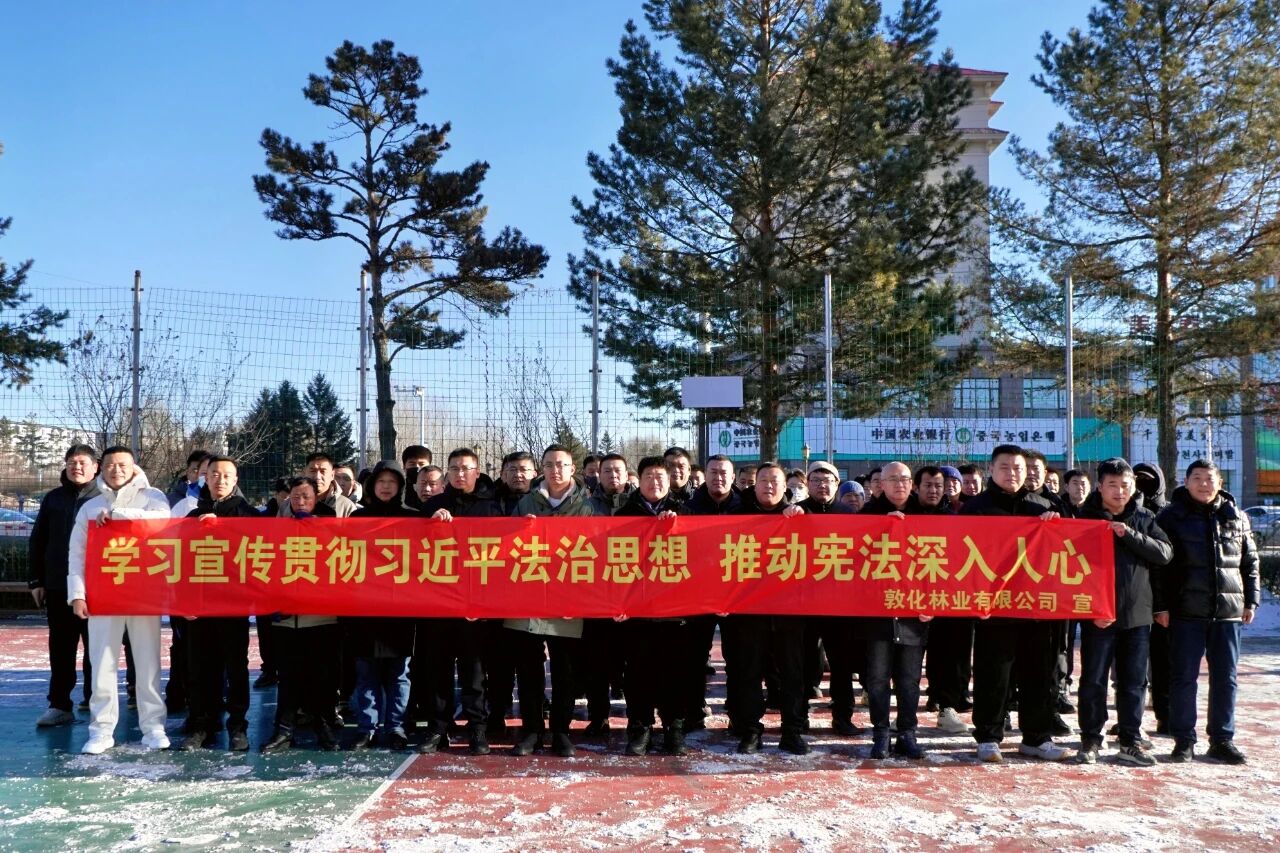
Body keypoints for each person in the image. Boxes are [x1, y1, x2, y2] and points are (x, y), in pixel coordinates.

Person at [960, 444, 1070, 763]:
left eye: (1018, 468)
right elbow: (958, 555)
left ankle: (1037, 737)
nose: (1012, 473)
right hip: (993, 607)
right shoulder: (975, 509)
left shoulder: (1044, 507)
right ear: (991, 470)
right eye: (1005, 467)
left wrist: (1056, 525)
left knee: (1040, 674)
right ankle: (988, 736)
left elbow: (1067, 552)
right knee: (993, 674)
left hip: (1037, 607)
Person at [503, 445, 608, 757]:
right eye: (549, 465)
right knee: (528, 670)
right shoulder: (525, 503)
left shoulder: (588, 506)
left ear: (572, 468)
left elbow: (600, 552)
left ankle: (561, 730)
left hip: (569, 601)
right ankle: (532, 730)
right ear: (542, 470)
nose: (555, 470)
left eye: (561, 465)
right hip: (528, 598)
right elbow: (505, 549)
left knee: (565, 670)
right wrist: (517, 531)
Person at [67, 446, 172, 754]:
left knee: (148, 662)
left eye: (123, 465)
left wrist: (118, 517)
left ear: (134, 467)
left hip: (143, 594)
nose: (116, 470)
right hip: (104, 595)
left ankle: (153, 727)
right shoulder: (90, 507)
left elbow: (162, 523)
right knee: (102, 662)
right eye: (111, 465)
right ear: (102, 469)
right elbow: (77, 553)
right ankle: (101, 730)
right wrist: (77, 593)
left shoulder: (153, 497)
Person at [1156, 459, 1260, 765]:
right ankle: (1183, 740)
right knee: (1183, 678)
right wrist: (1161, 606)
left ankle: (1222, 739)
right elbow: (1159, 568)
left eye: (1209, 478)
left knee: (1226, 678)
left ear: (1220, 483)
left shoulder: (1236, 516)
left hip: (1227, 612)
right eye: (1197, 478)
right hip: (1185, 611)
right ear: (1186, 482)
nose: (1204, 484)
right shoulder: (1171, 517)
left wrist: (1251, 601)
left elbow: (1250, 562)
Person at [1075, 458, 1173, 766]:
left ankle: (1130, 740)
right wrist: (1090, 609)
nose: (1119, 491)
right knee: (1093, 680)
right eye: (1113, 485)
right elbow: (1068, 563)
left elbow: (1164, 553)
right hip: (1097, 615)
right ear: (1100, 487)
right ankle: (1091, 738)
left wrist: (1129, 535)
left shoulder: (1144, 517)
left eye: (1125, 485)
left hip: (1137, 615)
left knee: (1134, 682)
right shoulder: (1083, 518)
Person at [421, 448, 503, 755]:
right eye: (454, 468)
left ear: (477, 472)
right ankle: (437, 728)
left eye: (465, 468)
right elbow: (413, 548)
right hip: (439, 603)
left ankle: (477, 729)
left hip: (475, 606)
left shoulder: (491, 507)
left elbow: (502, 555)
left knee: (474, 673)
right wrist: (430, 525)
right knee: (438, 671)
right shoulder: (433, 505)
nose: (459, 474)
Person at [724, 463, 809, 755]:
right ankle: (751, 730)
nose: (769, 486)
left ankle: (792, 731)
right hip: (749, 613)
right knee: (749, 673)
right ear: (754, 484)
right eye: (763, 480)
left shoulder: (800, 517)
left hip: (789, 614)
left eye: (775, 481)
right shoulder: (737, 516)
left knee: (792, 675)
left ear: (785, 487)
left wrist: (800, 518)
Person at [858, 461, 940, 759]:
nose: (899, 484)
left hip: (914, 613)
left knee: (909, 679)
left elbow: (943, 564)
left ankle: (907, 732)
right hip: (877, 612)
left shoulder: (928, 516)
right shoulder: (865, 516)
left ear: (912, 484)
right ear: (881, 484)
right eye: (892, 479)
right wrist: (880, 528)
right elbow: (851, 561)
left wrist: (934, 602)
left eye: (904, 478)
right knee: (877, 678)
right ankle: (880, 733)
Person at [615, 456, 694, 756]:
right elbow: (613, 561)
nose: (655, 482)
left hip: (676, 613)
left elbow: (702, 557)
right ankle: (640, 727)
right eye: (649, 476)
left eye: (661, 476)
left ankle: (674, 727)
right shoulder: (623, 515)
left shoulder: (686, 513)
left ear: (670, 480)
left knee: (676, 674)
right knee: (638, 674)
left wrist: (677, 526)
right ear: (639, 479)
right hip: (637, 613)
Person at [180, 456, 259, 752]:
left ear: (235, 480)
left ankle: (237, 726)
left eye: (227, 475)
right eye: (214, 474)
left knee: (236, 667)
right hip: (199, 606)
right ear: (206, 478)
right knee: (199, 668)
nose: (220, 480)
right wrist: (184, 600)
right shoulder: (191, 516)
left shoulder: (249, 515)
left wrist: (223, 528)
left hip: (233, 605)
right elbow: (180, 562)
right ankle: (202, 724)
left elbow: (259, 555)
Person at [261, 477, 343, 753]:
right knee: (288, 677)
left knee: (323, 677)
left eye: (306, 496)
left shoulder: (330, 524)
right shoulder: (276, 526)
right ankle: (283, 730)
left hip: (321, 617)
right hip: (286, 618)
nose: (300, 501)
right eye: (295, 496)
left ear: (316, 498)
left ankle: (324, 726)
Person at [346, 461, 418, 751]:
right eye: (381, 481)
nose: (386, 487)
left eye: (392, 482)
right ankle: (368, 727)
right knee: (366, 673)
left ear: (400, 486)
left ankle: (396, 726)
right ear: (372, 485)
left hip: (402, 609)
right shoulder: (357, 518)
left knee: (399, 673)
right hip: (365, 609)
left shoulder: (414, 518)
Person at [29, 444, 100, 727]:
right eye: (71, 462)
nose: (76, 467)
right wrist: (36, 580)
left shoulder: (105, 498)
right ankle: (59, 705)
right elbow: (38, 539)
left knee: (97, 649)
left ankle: (96, 702)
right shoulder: (54, 498)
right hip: (59, 585)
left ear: (95, 467)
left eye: (82, 462)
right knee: (61, 648)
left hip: (97, 588)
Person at [799, 462, 860, 737]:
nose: (822, 485)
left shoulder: (850, 515)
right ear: (807, 484)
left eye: (828, 480)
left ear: (837, 484)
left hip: (840, 603)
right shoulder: (796, 512)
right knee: (802, 662)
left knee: (842, 664)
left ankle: (843, 716)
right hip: (804, 602)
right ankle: (798, 716)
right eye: (816, 480)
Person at [682, 454, 741, 731]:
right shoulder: (688, 508)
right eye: (713, 472)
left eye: (723, 472)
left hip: (737, 595)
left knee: (738, 659)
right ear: (704, 475)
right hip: (698, 595)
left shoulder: (746, 507)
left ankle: (738, 713)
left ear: (733, 477)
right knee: (694, 658)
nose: (718, 477)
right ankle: (693, 712)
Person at [1133, 461, 1171, 732]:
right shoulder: (1127, 511)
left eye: (1148, 479)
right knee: (1131, 666)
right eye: (1137, 479)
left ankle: (1165, 715)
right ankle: (1130, 718)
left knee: (1163, 661)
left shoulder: (1169, 514)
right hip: (1133, 598)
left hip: (1163, 599)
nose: (1143, 485)